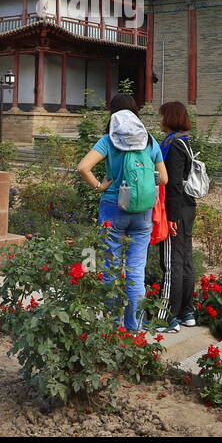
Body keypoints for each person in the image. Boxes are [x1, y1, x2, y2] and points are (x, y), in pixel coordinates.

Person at [76, 94, 167, 331]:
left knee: (111, 270)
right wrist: (145, 185)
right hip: (143, 212)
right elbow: (164, 179)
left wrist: (100, 186)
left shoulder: (108, 140)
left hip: (113, 207)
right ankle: (134, 329)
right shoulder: (150, 142)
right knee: (136, 272)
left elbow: (83, 167)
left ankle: (111, 327)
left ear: (112, 115)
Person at [155, 101, 198, 332]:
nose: (159, 120)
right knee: (185, 260)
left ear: (169, 117)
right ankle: (186, 312)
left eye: (161, 116)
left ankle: (167, 317)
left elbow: (172, 184)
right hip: (187, 207)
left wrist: (170, 216)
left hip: (176, 209)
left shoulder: (173, 144)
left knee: (171, 262)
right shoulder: (186, 141)